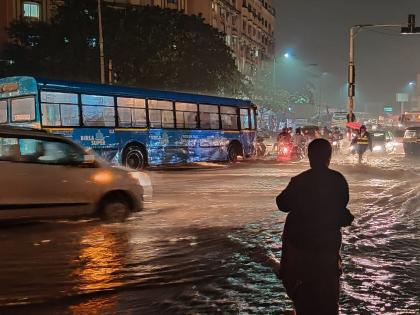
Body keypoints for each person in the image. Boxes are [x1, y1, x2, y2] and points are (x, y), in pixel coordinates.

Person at [276, 139, 354, 315]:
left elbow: (282, 204)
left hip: (299, 244)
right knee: (329, 292)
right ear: (329, 157)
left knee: (299, 290)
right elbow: (342, 207)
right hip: (327, 245)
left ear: (309, 157)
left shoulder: (299, 180)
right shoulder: (338, 180)